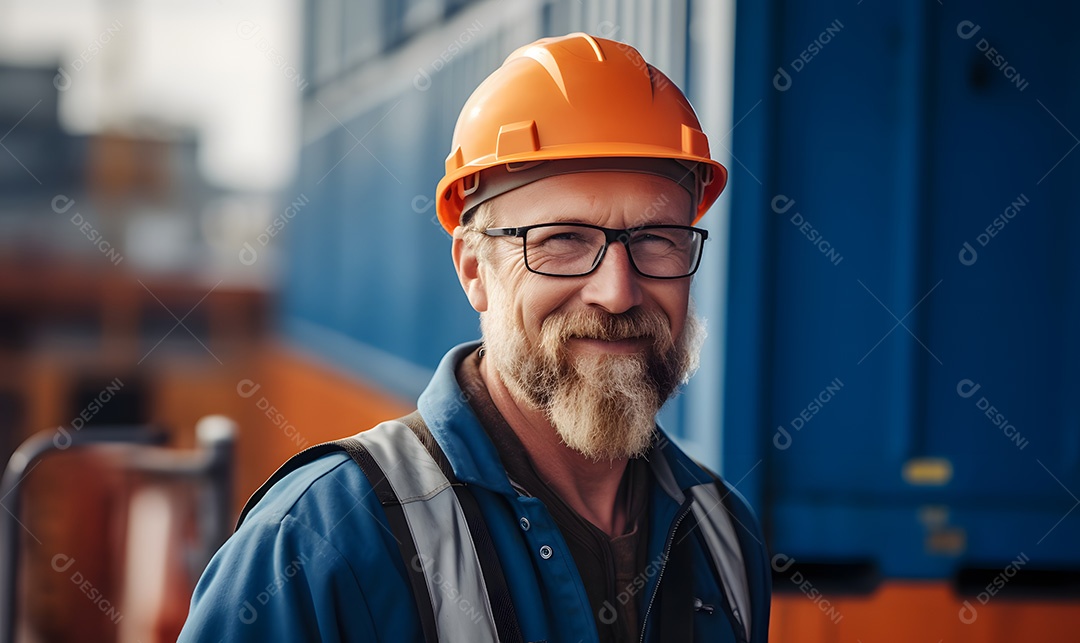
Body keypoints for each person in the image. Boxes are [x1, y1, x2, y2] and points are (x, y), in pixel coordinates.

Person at [179, 32, 771, 643]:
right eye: (563, 240)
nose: (617, 293)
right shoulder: (320, 541)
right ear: (473, 270)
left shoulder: (724, 538)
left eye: (656, 238)